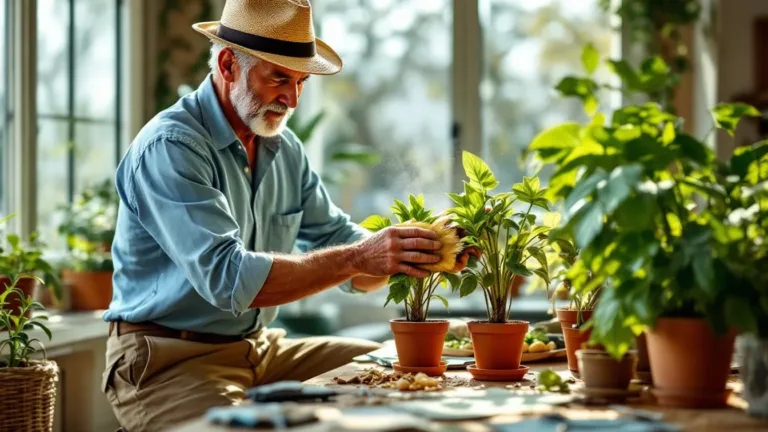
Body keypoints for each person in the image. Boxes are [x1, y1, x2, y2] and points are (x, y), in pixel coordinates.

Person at [100, 1, 476, 430]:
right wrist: (361, 256)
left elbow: (347, 255)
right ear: (228, 64)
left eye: (300, 81)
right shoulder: (171, 147)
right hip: (168, 359)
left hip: (259, 348)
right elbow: (229, 279)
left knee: (406, 377)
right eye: (279, 77)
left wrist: (414, 254)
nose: (292, 98)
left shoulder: (284, 148)